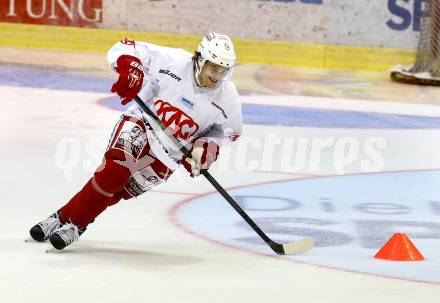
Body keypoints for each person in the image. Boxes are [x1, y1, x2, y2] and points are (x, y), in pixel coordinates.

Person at [29, 32, 243, 250]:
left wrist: (205, 148)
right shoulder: (174, 61)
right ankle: (76, 226)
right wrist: (131, 68)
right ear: (200, 60)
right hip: (143, 123)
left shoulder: (228, 98)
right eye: (212, 67)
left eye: (223, 69)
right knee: (113, 173)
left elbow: (229, 132)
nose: (217, 75)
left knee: (117, 191)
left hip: (171, 154)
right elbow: (125, 47)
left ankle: (60, 217)